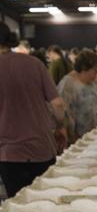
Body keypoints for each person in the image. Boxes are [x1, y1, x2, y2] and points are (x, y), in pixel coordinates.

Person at [0, 22, 66, 197]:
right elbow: (58, 104)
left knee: (20, 210)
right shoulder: (34, 63)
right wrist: (60, 126)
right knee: (47, 202)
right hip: (42, 148)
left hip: (10, 155)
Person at [58, 48, 97, 141]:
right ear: (84, 68)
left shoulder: (91, 82)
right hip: (80, 139)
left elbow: (95, 102)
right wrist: (73, 139)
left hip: (96, 135)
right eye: (95, 69)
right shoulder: (68, 85)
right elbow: (64, 116)